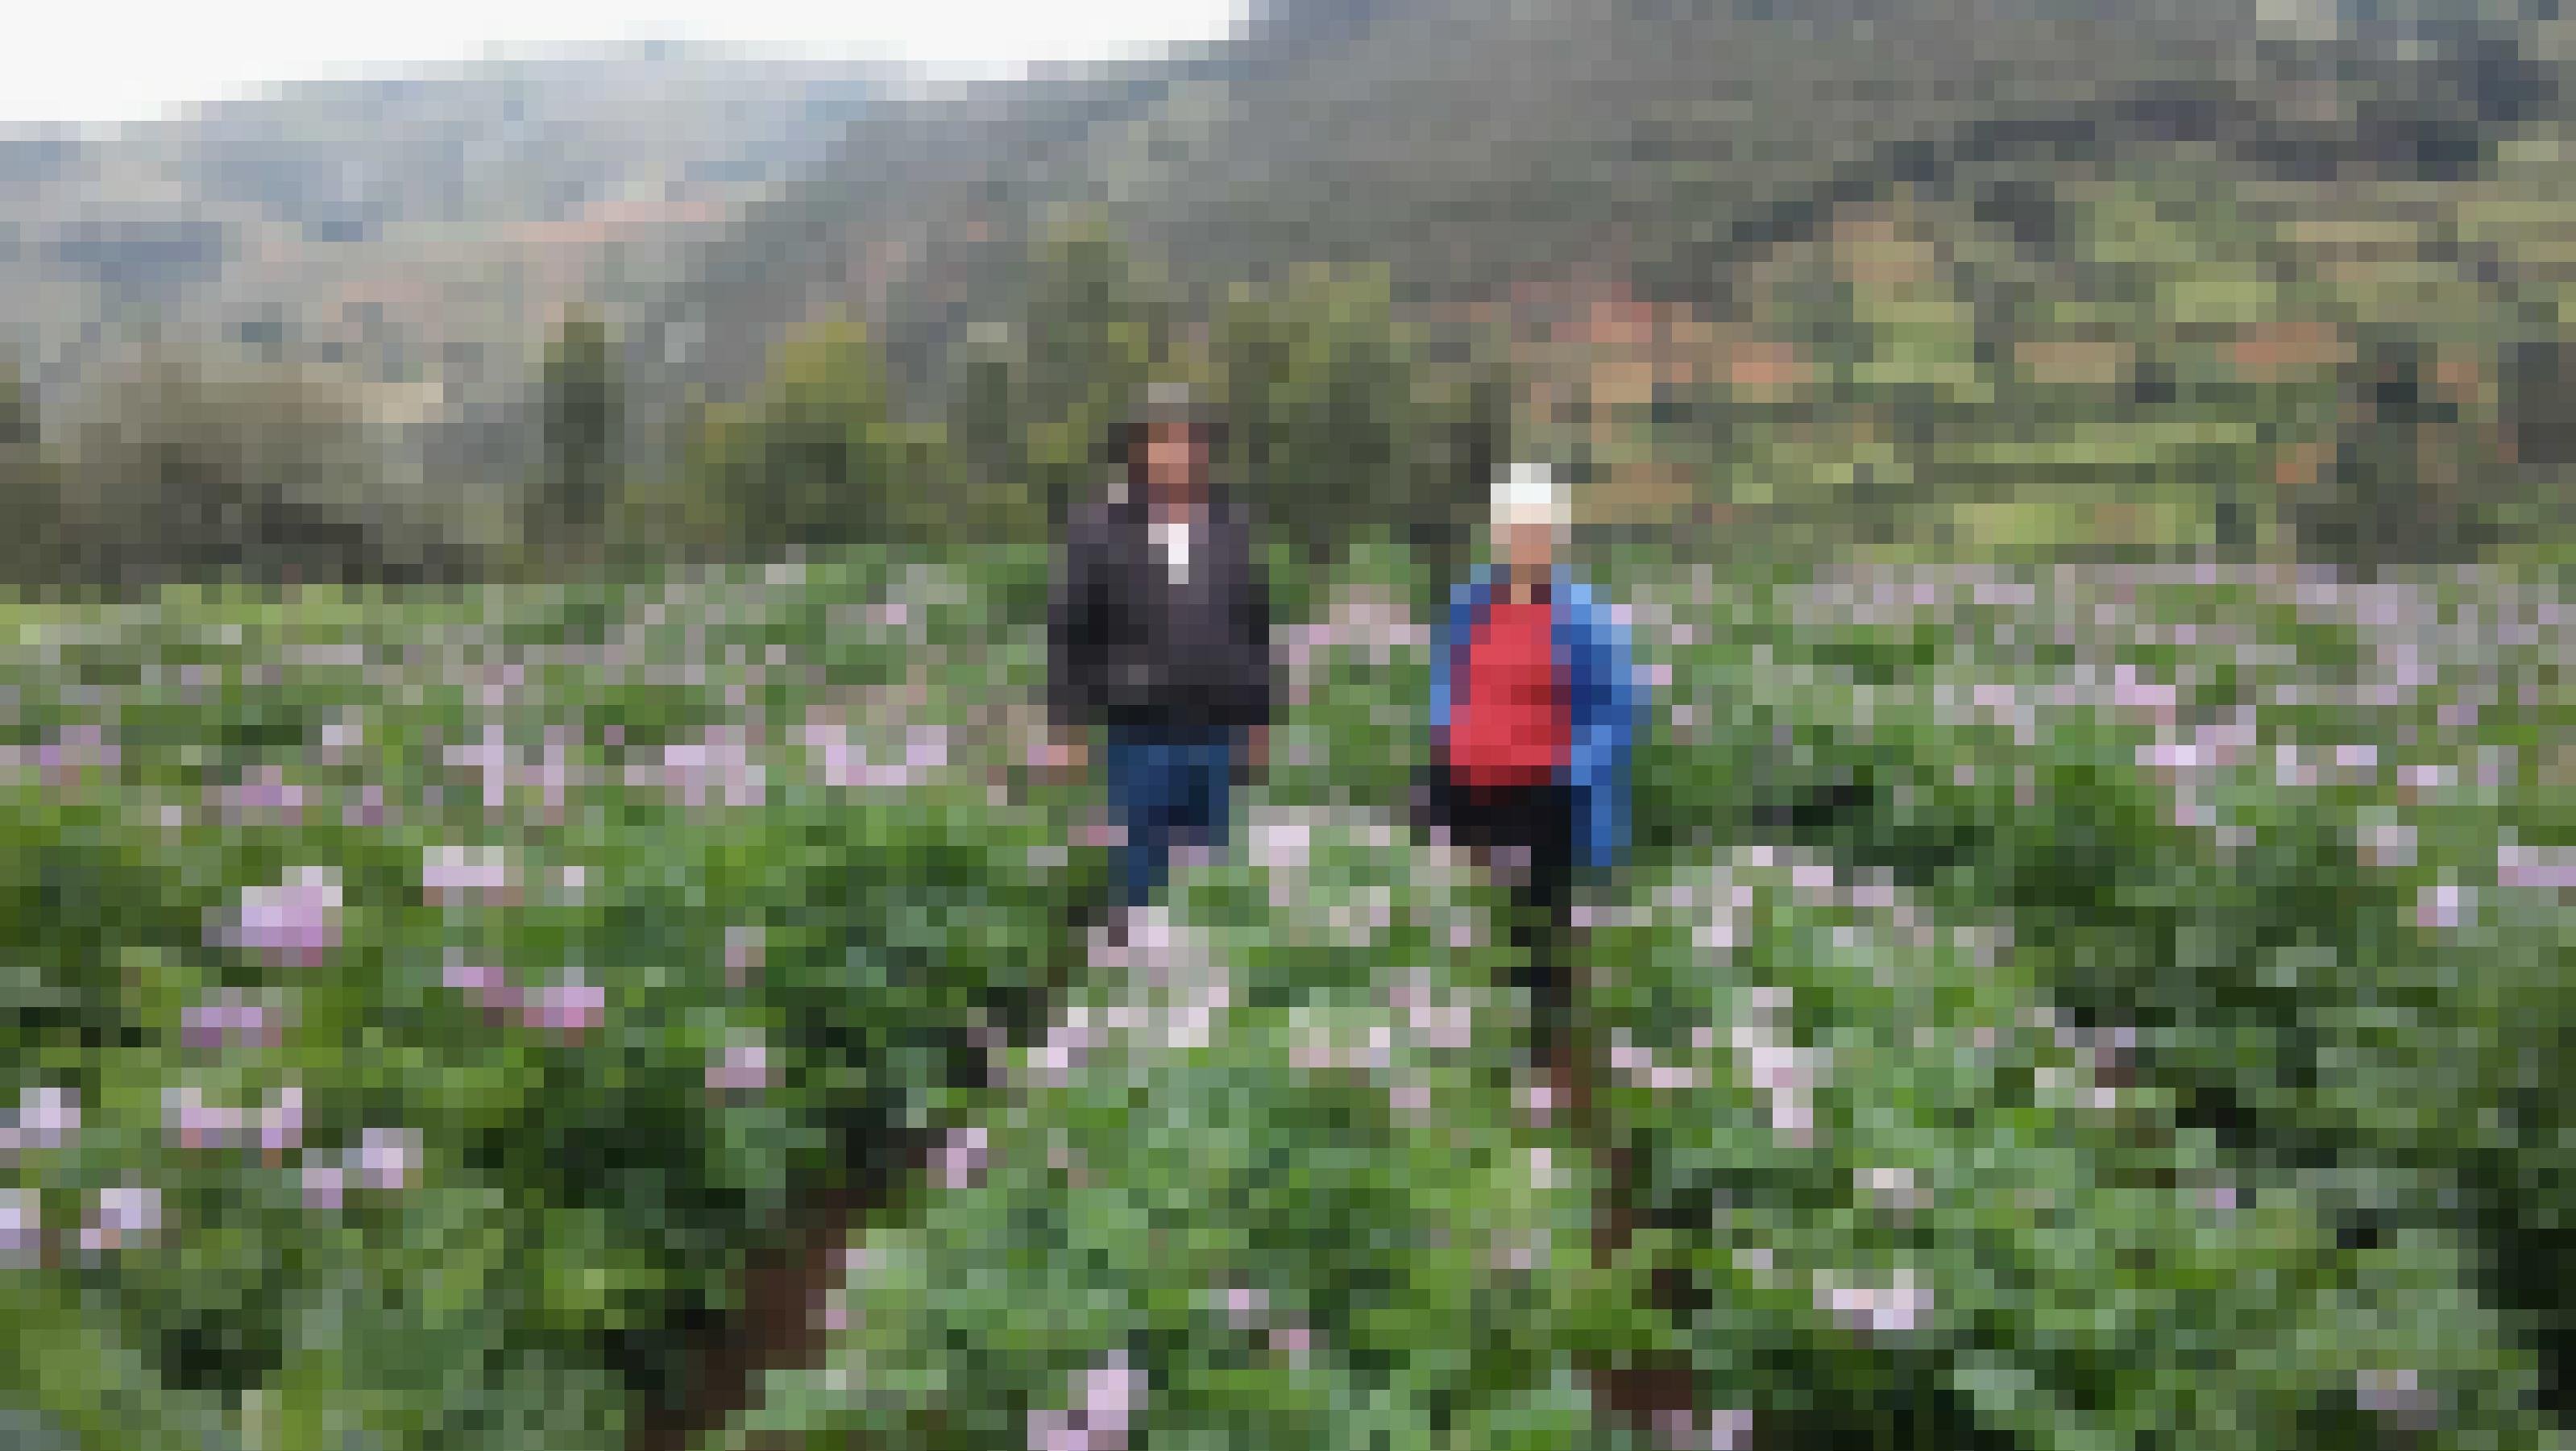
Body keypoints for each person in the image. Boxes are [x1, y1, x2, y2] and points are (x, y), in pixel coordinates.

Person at [1423, 461, 1639, 1077]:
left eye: (1537, 531)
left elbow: (1619, 710)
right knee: (1467, 915)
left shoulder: (1586, 616)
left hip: (1544, 792)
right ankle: (1471, 1047)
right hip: (1468, 784)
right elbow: (1448, 675)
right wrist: (1446, 737)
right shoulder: (1472, 601)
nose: (1525, 544)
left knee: (1537, 926)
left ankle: (1542, 1060)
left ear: (1556, 539)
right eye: (1515, 530)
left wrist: (1570, 767)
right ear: (1498, 537)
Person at [1046, 382, 1275, 947]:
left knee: (1211, 874)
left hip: (1215, 731)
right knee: (1141, 868)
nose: (1180, 454)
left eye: (1191, 441)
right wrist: (1067, 725)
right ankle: (1136, 989)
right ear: (1138, 450)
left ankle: (1203, 992)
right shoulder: (1100, 526)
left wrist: (1260, 717)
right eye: (1164, 441)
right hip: (1138, 731)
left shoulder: (1230, 524)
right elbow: (1070, 628)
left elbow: (1254, 624)